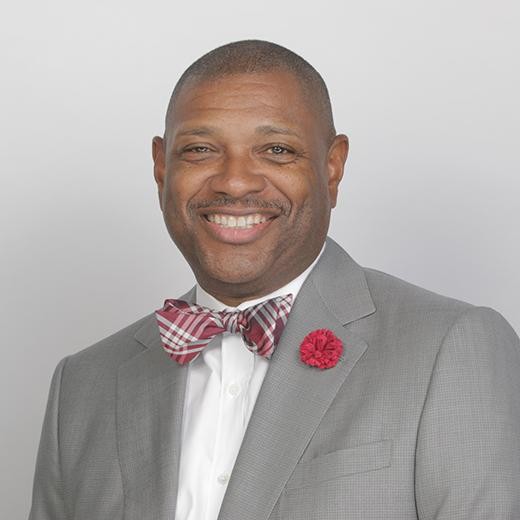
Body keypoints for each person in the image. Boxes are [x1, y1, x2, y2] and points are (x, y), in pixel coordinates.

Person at [28, 39, 520, 520]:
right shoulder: (85, 384)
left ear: (332, 168)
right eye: (200, 149)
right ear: (161, 168)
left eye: (277, 150)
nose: (234, 181)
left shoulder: (449, 349)